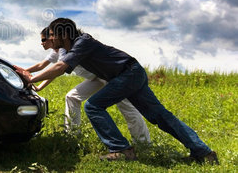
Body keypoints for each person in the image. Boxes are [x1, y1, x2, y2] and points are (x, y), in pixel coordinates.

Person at [16, 18, 218, 164]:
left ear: (62, 35)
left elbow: (59, 68)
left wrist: (32, 79)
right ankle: (204, 153)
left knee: (94, 106)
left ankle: (121, 149)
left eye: (51, 35)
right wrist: (29, 74)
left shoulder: (83, 42)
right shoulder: (71, 49)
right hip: (130, 72)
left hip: (127, 73)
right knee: (160, 115)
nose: (50, 39)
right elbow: (54, 66)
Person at [16, 27, 150, 144]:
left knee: (126, 107)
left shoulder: (65, 49)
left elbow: (57, 70)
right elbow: (42, 66)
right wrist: (24, 71)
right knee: (72, 97)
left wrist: (32, 80)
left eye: (44, 39)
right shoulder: (55, 52)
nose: (42, 43)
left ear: (53, 38)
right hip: (96, 78)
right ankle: (72, 135)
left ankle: (143, 143)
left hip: (109, 76)